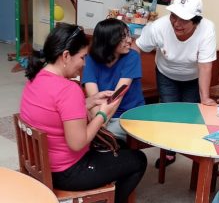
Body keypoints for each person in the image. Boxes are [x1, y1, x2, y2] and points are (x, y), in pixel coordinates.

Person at [19, 23, 147, 203]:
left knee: (117, 148)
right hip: (67, 172)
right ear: (65, 56)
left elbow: (55, 111)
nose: (84, 63)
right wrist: (103, 114)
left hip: (40, 163)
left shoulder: (36, 77)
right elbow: (78, 143)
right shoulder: (68, 89)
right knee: (138, 160)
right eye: (82, 57)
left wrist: (88, 102)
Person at [132, 0, 218, 167]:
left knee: (188, 114)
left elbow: (205, 66)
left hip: (193, 77)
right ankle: (168, 152)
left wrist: (205, 98)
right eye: (174, 16)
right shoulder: (159, 27)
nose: (176, 24)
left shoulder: (207, 29)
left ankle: (187, 147)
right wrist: (126, 77)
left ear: (196, 21)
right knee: (168, 114)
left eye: (184, 20)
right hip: (166, 74)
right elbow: (137, 48)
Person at [82, 18, 145, 140]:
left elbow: (117, 96)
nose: (129, 40)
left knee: (98, 135)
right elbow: (94, 98)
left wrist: (101, 125)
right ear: (108, 41)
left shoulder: (132, 57)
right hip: (101, 112)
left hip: (128, 115)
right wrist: (100, 122)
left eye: (128, 35)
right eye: (123, 37)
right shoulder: (90, 59)